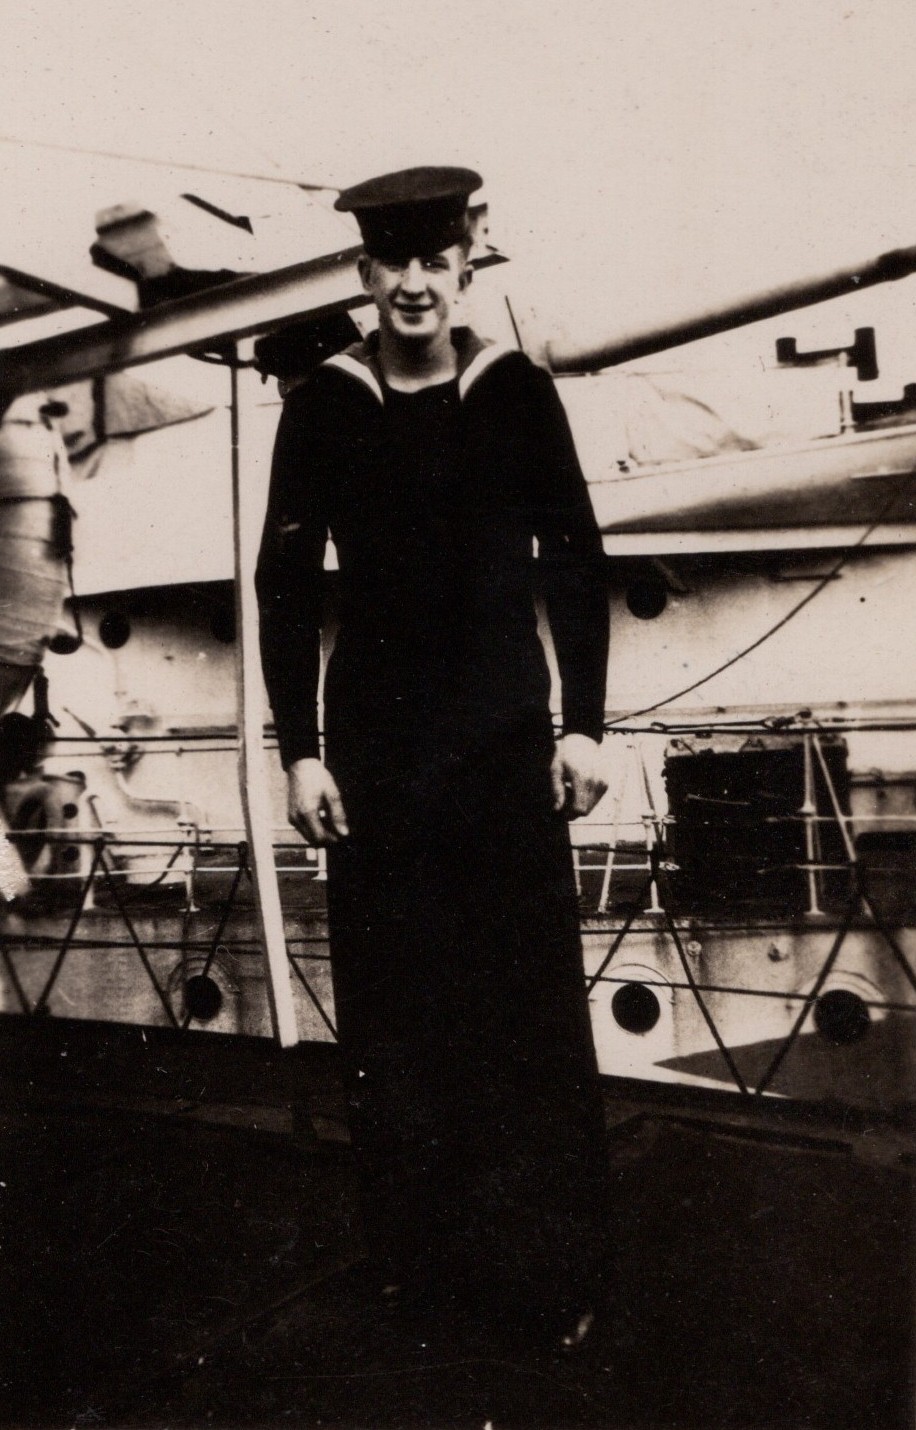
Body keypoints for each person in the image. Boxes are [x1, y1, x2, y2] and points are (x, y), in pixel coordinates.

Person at [256, 167, 611, 1351]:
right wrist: (300, 753)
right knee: (396, 1017)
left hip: (503, 742)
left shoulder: (516, 391)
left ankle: (550, 1273)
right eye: (392, 263)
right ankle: (418, 1269)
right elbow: (284, 583)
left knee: (525, 1012)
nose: (414, 283)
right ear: (365, 273)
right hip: (377, 754)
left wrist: (584, 723)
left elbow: (574, 556)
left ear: (466, 266)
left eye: (434, 261)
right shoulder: (326, 403)